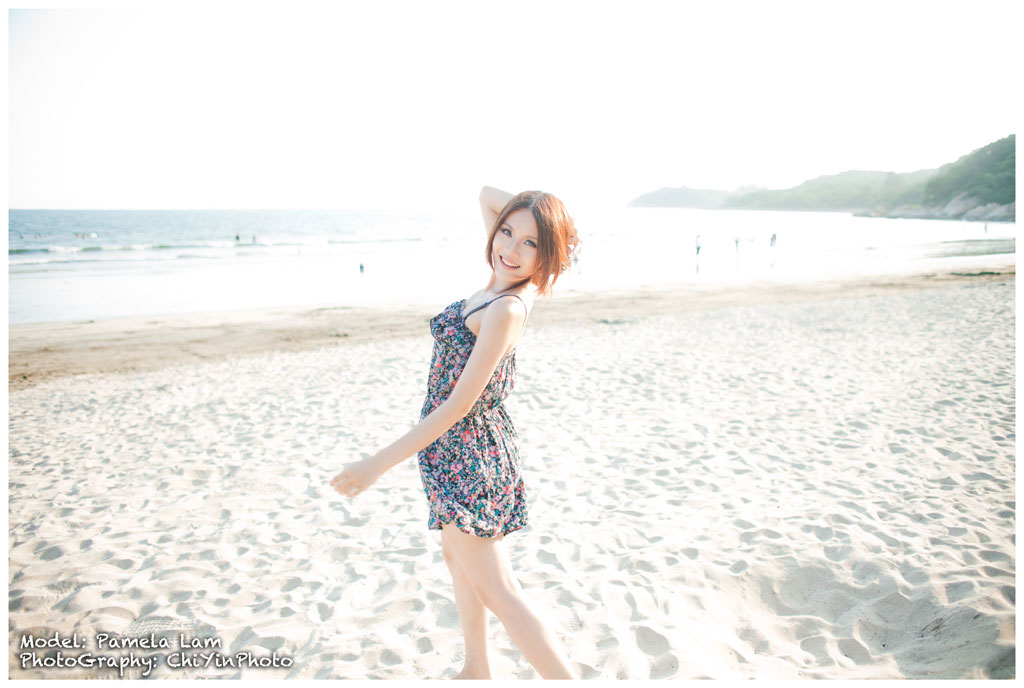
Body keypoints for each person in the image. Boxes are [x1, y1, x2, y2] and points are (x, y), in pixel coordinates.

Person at [330, 186, 580, 680]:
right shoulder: (499, 283)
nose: (510, 248)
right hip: (459, 451)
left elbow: (457, 406)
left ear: (545, 255)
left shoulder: (507, 307)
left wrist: (376, 465)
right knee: (458, 559)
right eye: (506, 232)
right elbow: (488, 194)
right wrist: (543, 223)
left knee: (501, 592)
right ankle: (476, 668)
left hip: (469, 456)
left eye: (531, 243)